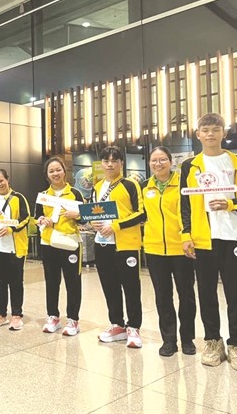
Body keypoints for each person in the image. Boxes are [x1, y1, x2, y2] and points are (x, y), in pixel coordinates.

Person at [180, 113, 237, 372]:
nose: (211, 134)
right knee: (206, 293)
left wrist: (230, 204)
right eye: (206, 130)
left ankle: (236, 345)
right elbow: (184, 203)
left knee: (236, 294)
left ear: (224, 133)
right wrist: (186, 235)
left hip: (234, 236)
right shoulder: (190, 165)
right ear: (198, 134)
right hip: (204, 239)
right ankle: (213, 342)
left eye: (216, 129)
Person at [142, 147, 196, 357]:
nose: (158, 164)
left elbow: (189, 212)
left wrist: (187, 236)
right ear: (149, 164)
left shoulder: (183, 183)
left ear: (171, 161)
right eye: (154, 160)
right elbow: (140, 213)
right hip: (154, 250)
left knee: (187, 296)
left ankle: (188, 339)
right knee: (163, 297)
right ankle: (169, 340)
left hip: (181, 248)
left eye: (162, 159)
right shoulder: (145, 187)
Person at [91, 146, 144, 348]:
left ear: (122, 163)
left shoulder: (130, 184)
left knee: (131, 287)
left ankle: (134, 327)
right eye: (106, 161)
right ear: (101, 164)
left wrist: (116, 225)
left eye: (114, 160)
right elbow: (94, 212)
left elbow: (141, 213)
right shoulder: (97, 187)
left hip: (126, 245)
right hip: (102, 244)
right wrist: (93, 223)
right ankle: (117, 324)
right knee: (109, 286)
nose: (110, 164)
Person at [35, 156, 85, 336]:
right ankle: (53, 316)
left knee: (73, 282)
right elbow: (37, 218)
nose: (55, 173)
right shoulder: (43, 196)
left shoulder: (76, 194)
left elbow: (85, 218)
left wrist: (76, 215)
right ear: (47, 175)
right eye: (51, 171)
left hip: (70, 243)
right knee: (52, 281)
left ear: (64, 171)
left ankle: (73, 319)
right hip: (48, 243)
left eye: (58, 169)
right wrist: (42, 220)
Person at [0, 169, 30, 330]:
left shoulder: (18, 198)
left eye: (1, 180)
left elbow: (25, 218)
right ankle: (1, 314)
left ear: (8, 180)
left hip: (14, 248)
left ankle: (16, 315)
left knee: (16, 282)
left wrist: (11, 229)